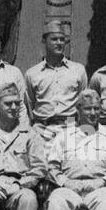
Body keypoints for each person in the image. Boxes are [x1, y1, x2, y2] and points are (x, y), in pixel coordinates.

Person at [25, 20, 88, 158]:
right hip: (42, 130)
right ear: (44, 41)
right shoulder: (32, 73)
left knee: (70, 172)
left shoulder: (78, 70)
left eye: (62, 39)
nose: (59, 43)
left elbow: (83, 103)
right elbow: (29, 105)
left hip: (70, 129)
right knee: (42, 172)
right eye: (54, 39)